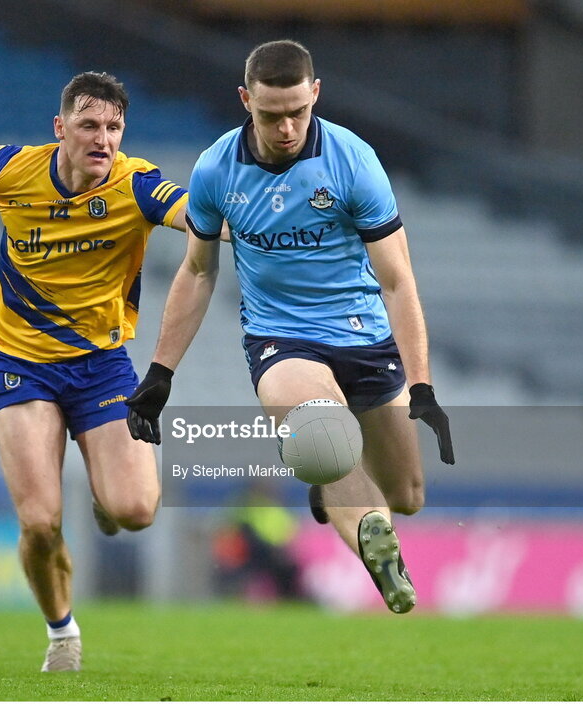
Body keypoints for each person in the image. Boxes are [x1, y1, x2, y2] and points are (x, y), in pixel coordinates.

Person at [125, 41, 454, 614]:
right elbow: (198, 271)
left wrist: (421, 383)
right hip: (283, 340)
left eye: (297, 112)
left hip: (366, 337)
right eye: (271, 114)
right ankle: (375, 545)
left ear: (315, 94)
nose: (286, 127)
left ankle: (332, 491)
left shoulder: (353, 161)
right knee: (326, 439)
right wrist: (160, 372)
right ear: (245, 100)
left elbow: (398, 281)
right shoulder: (216, 169)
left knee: (408, 494)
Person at [0, 71, 188, 671]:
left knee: (136, 511)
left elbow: (193, 214)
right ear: (60, 128)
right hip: (20, 366)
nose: (103, 138)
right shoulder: (15, 170)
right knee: (39, 521)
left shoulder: (137, 185)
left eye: (114, 127)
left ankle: (105, 497)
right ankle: (62, 633)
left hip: (101, 367)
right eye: (90, 125)